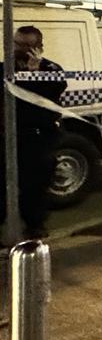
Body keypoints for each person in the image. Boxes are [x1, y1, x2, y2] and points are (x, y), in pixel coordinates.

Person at [0, 26, 67, 236]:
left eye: (27, 46)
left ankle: (34, 226)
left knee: (35, 185)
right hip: (8, 135)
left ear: (39, 48)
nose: (20, 49)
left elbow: (51, 94)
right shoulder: (4, 67)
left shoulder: (51, 70)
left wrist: (34, 74)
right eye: (17, 44)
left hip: (38, 136)